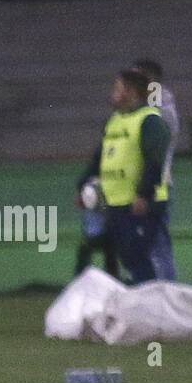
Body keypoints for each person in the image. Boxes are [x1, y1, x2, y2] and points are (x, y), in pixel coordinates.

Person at [75, 68, 170, 286]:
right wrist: (82, 186)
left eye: (117, 88)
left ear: (131, 91)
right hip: (115, 202)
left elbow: (155, 162)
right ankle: (139, 307)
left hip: (139, 204)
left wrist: (143, 195)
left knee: (137, 259)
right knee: (127, 258)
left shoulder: (150, 121)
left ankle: (150, 309)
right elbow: (99, 159)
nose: (113, 93)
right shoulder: (115, 121)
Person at [133, 58, 178, 281]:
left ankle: (164, 296)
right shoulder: (156, 105)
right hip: (145, 185)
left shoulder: (158, 107)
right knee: (150, 247)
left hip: (155, 187)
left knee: (156, 247)